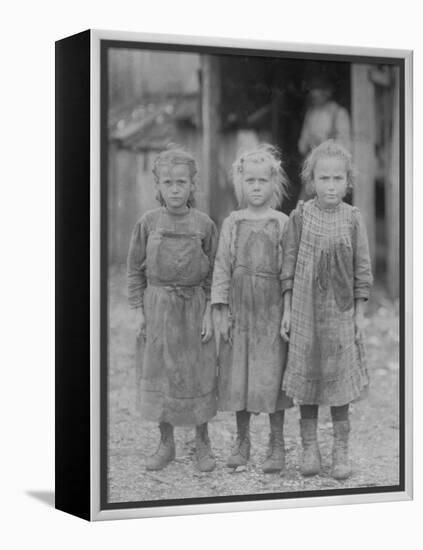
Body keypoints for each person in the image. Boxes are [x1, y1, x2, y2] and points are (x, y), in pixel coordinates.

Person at [280, 139, 373, 480]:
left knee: (338, 382)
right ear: (311, 180)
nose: (331, 186)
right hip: (305, 312)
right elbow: (288, 264)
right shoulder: (301, 215)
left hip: (339, 314)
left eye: (337, 179)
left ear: (347, 182)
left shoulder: (352, 218)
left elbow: (362, 271)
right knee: (307, 377)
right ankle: (309, 448)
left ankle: (340, 449)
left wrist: (358, 318)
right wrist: (288, 309)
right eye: (324, 178)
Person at [127, 148, 218, 472]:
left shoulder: (204, 224)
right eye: (169, 182)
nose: (175, 188)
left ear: (193, 185)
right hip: (158, 308)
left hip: (194, 308)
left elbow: (214, 275)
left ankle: (203, 443)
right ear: (158, 185)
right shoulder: (148, 223)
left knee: (197, 373)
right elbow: (134, 271)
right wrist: (139, 311)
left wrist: (210, 311)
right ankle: (166, 444)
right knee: (161, 374)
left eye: (182, 182)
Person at [211, 145, 293, 473]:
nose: (256, 187)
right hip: (240, 312)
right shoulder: (232, 222)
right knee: (238, 376)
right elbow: (221, 267)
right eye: (250, 181)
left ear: (274, 184)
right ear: (240, 183)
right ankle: (242, 441)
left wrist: (287, 311)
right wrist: (221, 310)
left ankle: (276, 444)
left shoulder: (283, 222)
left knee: (272, 375)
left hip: (271, 311)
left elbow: (289, 271)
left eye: (262, 181)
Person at [298, 75, 351, 200]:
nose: (314, 96)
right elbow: (301, 145)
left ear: (327, 92)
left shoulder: (338, 113)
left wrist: (325, 144)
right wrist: (308, 142)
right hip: (313, 171)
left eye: (318, 91)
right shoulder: (311, 113)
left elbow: (347, 146)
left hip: (332, 171)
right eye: (312, 92)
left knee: (329, 208)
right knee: (303, 208)